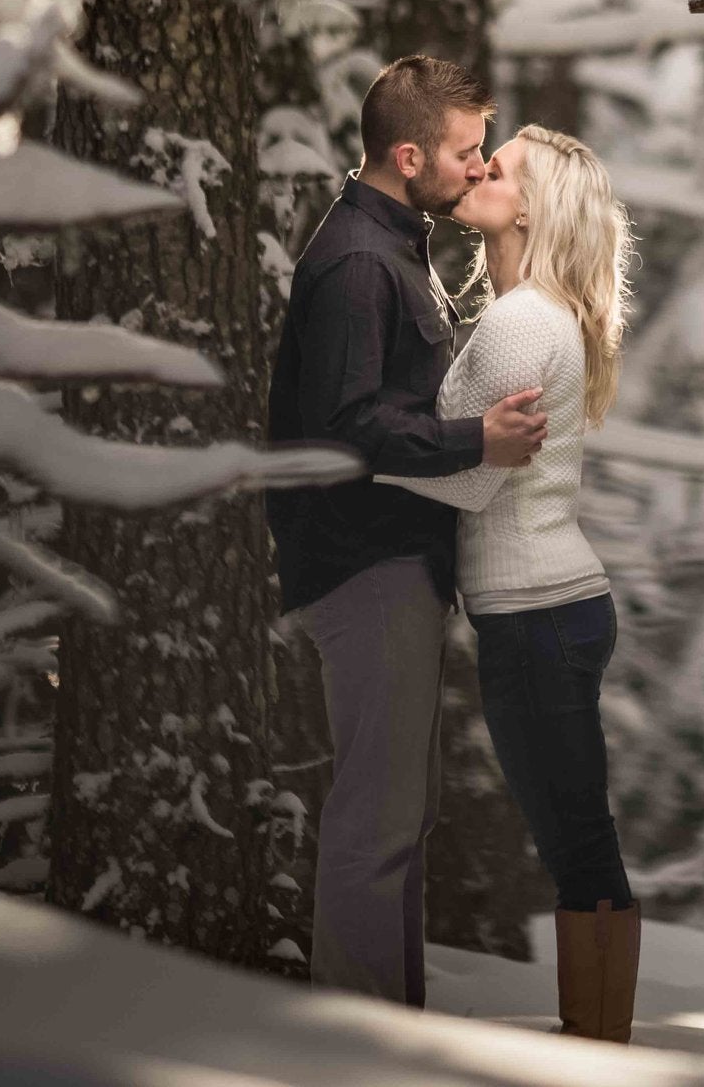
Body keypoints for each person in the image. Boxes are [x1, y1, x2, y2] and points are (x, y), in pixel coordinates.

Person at [266, 56, 549, 1006]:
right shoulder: (355, 262)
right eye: (466, 151)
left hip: (398, 565)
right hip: (364, 568)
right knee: (375, 822)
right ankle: (357, 1047)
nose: (477, 167)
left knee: (403, 816)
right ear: (406, 152)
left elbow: (401, 389)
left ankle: (398, 1034)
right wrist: (481, 439)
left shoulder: (395, 245)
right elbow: (349, 423)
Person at [380, 125, 641, 1043]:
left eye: (501, 167)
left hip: (539, 616)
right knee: (575, 835)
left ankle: (603, 1046)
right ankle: (599, 1036)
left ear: (529, 206)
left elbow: (468, 474)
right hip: (545, 610)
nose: (480, 170)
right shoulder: (526, 310)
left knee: (576, 843)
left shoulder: (523, 319)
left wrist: (355, 454)